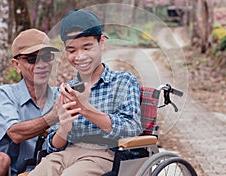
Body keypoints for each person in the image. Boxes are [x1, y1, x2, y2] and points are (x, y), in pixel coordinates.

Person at [28, 9, 143, 176]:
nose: (80, 56)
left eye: (87, 47)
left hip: (106, 155)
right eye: (72, 50)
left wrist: (85, 109)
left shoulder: (123, 82)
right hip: (66, 153)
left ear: (101, 42)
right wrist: (64, 129)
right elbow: (53, 144)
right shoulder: (68, 89)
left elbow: (131, 130)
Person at [0, 28, 61, 176]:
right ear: (16, 65)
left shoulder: (61, 95)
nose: (41, 64)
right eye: (32, 59)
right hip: (8, 171)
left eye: (46, 56)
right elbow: (15, 133)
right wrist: (53, 117)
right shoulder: (3, 95)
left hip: (44, 171)